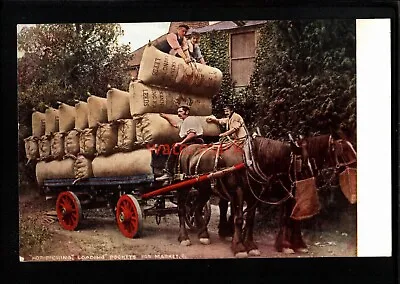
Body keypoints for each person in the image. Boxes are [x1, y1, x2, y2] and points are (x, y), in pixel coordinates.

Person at [156, 105, 204, 183]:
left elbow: (192, 134)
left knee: (174, 148)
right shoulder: (184, 122)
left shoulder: (190, 119)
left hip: (194, 141)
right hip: (191, 140)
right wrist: (165, 116)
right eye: (178, 112)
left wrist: (181, 143)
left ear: (187, 112)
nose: (178, 113)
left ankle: (168, 172)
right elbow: (175, 124)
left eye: (180, 111)